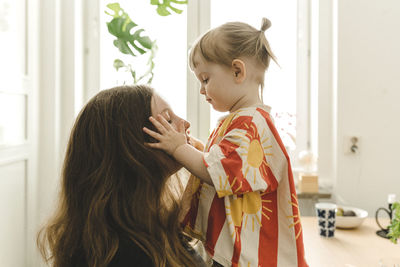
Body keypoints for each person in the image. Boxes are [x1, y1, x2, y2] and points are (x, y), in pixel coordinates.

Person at [143, 18, 308, 267]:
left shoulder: (250, 124)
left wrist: (179, 148)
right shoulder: (243, 120)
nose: (201, 90)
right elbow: (226, 161)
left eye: (206, 79)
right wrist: (198, 148)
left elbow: (218, 172)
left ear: (237, 71)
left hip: (251, 259)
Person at [37, 85, 207, 267]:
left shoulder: (152, 224)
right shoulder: (128, 255)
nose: (185, 123)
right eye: (168, 120)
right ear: (131, 147)